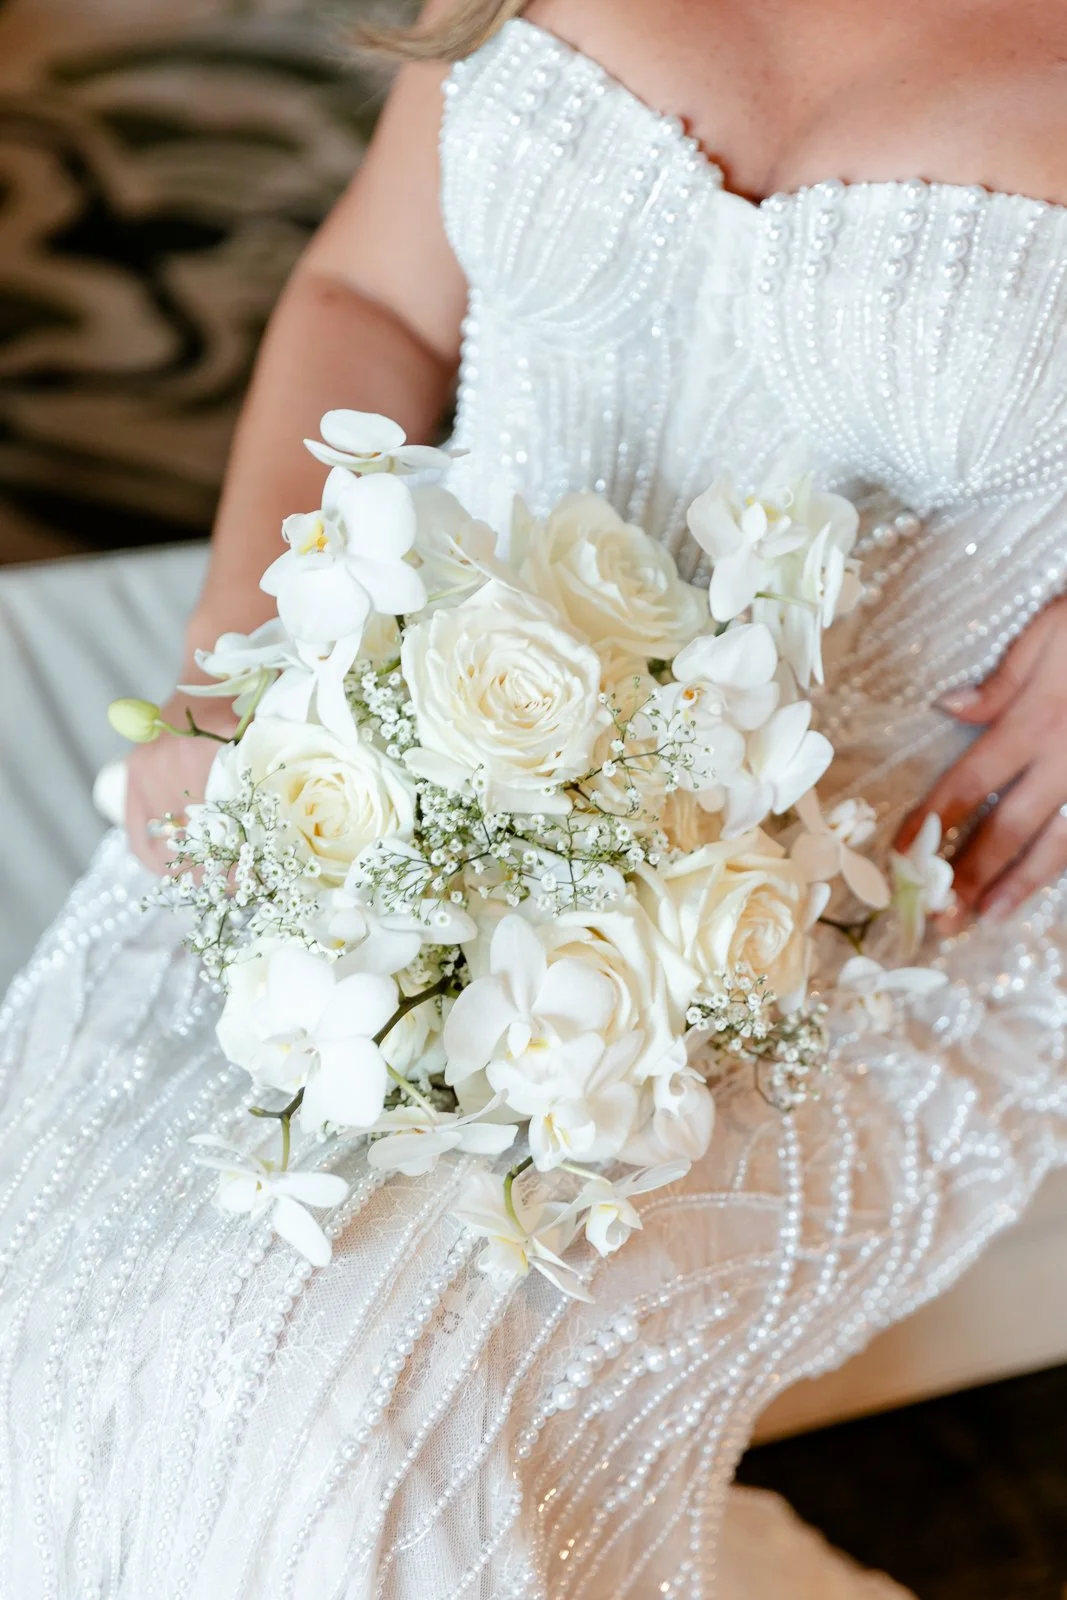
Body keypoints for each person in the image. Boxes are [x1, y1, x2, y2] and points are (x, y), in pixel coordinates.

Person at [4, 0, 1067, 1592]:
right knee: (63, 1289)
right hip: (363, 769)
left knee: (359, 1419)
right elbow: (367, 290)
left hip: (849, 930)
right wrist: (233, 690)